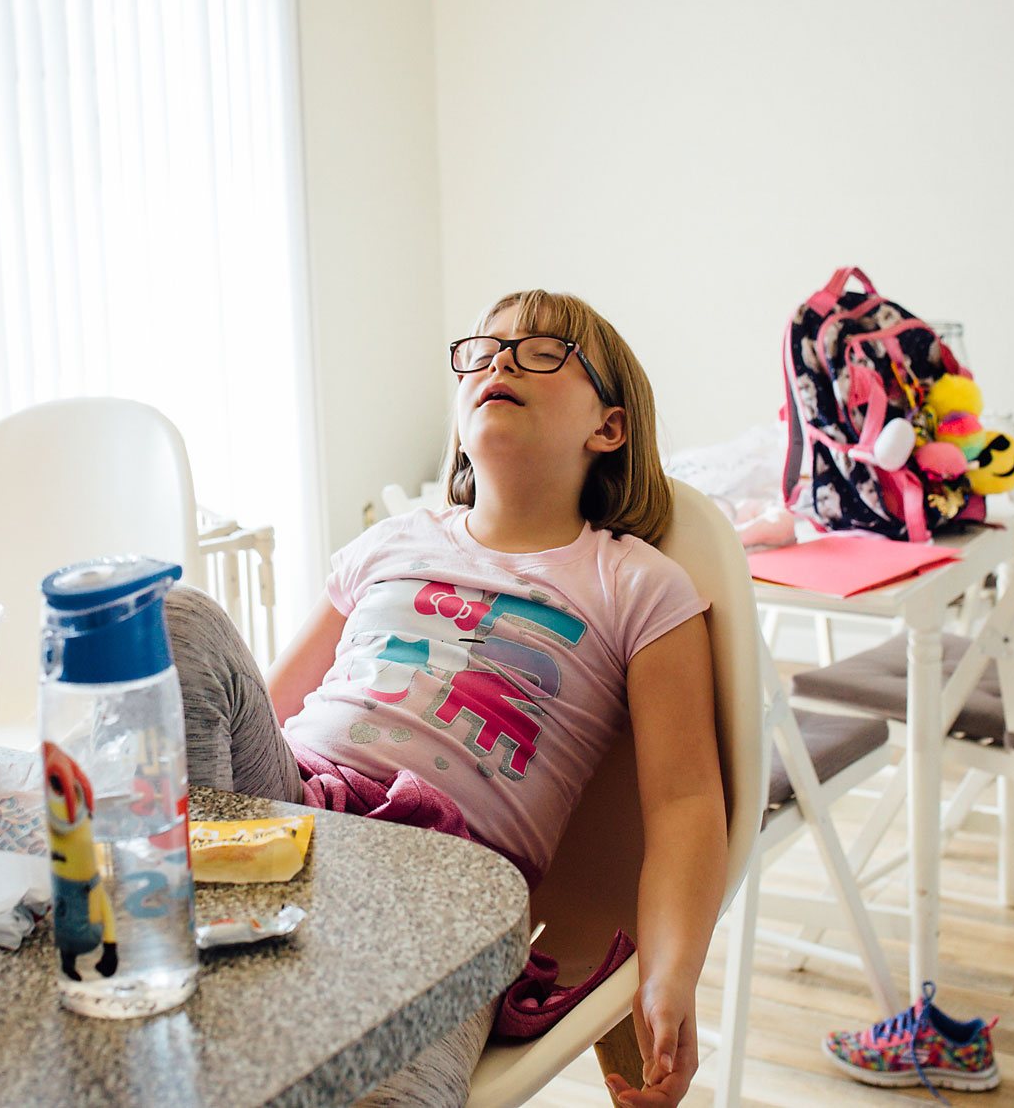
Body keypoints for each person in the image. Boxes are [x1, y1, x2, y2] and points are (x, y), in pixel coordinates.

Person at [168, 289, 728, 1107]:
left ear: (608, 428)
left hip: (451, 902)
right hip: (299, 816)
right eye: (483, 348)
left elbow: (684, 801)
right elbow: (265, 705)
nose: (500, 359)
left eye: (542, 350)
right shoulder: (390, 543)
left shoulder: (638, 583)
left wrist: (671, 976)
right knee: (180, 617)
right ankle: (167, 921)